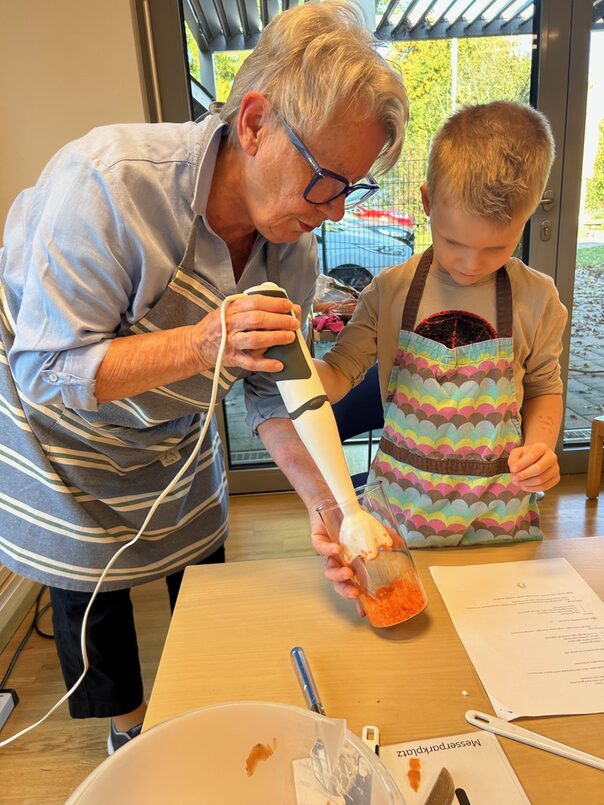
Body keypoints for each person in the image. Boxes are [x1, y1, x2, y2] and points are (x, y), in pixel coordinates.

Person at [0, 0, 408, 752]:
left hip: (172, 426)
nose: (332, 210)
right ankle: (127, 731)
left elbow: (271, 393)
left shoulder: (290, 247)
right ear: (253, 122)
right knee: (94, 583)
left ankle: (203, 693)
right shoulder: (110, 186)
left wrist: (330, 507)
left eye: (352, 188)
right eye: (324, 179)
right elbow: (45, 369)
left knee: (197, 552)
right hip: (65, 427)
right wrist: (198, 344)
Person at [313, 101, 568, 600]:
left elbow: (543, 387)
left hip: (496, 519)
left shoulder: (538, 300)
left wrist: (540, 445)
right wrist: (293, 368)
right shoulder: (389, 291)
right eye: (453, 242)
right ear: (427, 201)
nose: (471, 263)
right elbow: (339, 374)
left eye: (497, 248)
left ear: (527, 217)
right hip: (398, 518)